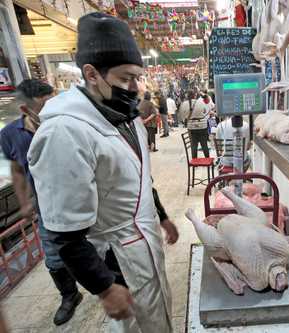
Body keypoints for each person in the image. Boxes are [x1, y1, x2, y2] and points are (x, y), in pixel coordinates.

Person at [27, 13, 178, 333]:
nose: (135, 88)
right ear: (91, 74)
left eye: (138, 77)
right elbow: (64, 233)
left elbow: (140, 178)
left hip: (146, 244)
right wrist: (104, 287)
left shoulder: (126, 117)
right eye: (125, 78)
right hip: (117, 260)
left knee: (158, 317)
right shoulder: (65, 132)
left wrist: (162, 216)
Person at [0, 79, 84, 326]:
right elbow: (16, 170)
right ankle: (70, 295)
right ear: (26, 110)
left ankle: (109, 283)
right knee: (54, 255)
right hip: (45, 204)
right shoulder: (9, 135)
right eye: (46, 104)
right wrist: (25, 202)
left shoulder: (69, 124)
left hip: (79, 195)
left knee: (97, 244)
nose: (54, 108)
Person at [187, 91, 210, 158]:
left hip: (191, 127)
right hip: (202, 126)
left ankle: (194, 161)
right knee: (204, 145)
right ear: (195, 95)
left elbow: (184, 116)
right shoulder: (201, 102)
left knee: (194, 145)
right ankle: (207, 159)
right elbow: (206, 110)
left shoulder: (186, 104)